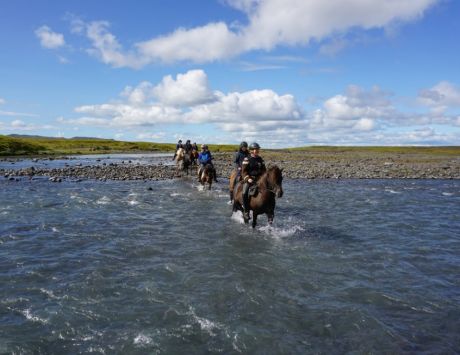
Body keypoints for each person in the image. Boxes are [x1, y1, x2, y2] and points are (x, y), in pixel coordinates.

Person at [241, 142, 266, 220]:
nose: (256, 151)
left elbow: (264, 170)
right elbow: (244, 172)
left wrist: (264, 178)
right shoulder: (247, 159)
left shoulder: (260, 159)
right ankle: (246, 211)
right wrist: (248, 178)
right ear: (251, 150)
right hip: (250, 179)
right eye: (255, 149)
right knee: (245, 192)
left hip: (259, 180)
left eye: (257, 149)